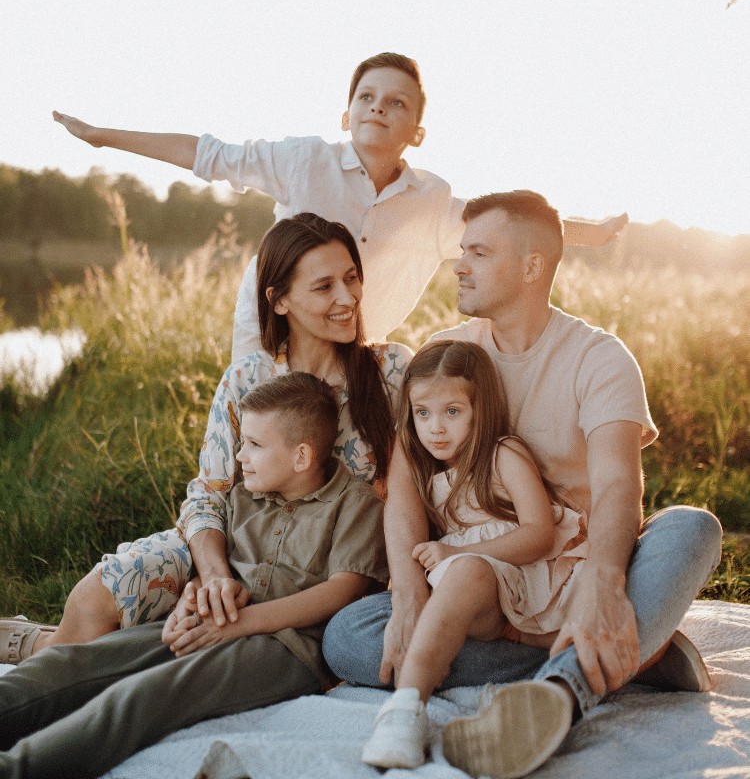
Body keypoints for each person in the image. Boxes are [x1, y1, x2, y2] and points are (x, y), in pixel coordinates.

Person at [323, 190, 723, 779]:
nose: (459, 265)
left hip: (573, 564)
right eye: (462, 250)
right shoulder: (447, 355)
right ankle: (633, 650)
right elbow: (405, 486)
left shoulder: (599, 358)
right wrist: (407, 591)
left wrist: (606, 583)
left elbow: (619, 487)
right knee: (348, 638)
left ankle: (561, 690)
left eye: (478, 253)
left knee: (692, 529)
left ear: (532, 266)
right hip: (483, 580)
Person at [0, 213, 411, 662]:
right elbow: (208, 495)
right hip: (237, 546)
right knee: (96, 598)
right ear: (279, 301)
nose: (347, 297)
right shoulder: (246, 379)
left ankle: (39, 648)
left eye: (352, 279)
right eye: (324, 286)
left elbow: (420, 483)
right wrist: (214, 576)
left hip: (329, 564)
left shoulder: (391, 372)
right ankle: (37, 645)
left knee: (126, 651)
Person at [52, 52, 628, 364]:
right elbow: (207, 154)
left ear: (417, 131)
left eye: (396, 102)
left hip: (357, 343)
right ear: (346, 115)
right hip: (272, 326)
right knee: (261, 434)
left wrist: (590, 233)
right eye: (366, 97)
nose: (379, 107)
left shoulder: (431, 199)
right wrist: (103, 136)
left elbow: (507, 227)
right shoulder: (303, 160)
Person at [0, 370, 388, 779]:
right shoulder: (246, 496)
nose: (239, 457)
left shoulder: (355, 505)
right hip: (215, 621)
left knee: (147, 694)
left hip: (287, 649)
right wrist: (193, 599)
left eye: (254, 445)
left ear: (302, 457)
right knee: (77, 662)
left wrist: (239, 626)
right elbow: (218, 572)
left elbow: (341, 592)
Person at [361, 340, 589, 770]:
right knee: (352, 632)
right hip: (491, 608)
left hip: (536, 580)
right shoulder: (428, 472)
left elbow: (539, 534)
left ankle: (406, 706)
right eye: (422, 413)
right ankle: (407, 707)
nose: (436, 429)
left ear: (480, 409)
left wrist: (457, 550)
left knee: (464, 571)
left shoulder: (504, 454)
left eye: (452, 412)